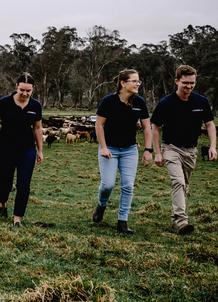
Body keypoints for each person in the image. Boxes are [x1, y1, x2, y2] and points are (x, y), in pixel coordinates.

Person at [151, 65, 216, 235]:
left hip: (191, 151)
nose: (189, 86)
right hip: (171, 148)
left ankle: (176, 217)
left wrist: (213, 146)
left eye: (192, 83)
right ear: (177, 81)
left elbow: (210, 125)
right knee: (178, 182)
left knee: (184, 184)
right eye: (185, 83)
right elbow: (155, 127)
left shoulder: (201, 102)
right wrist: (157, 152)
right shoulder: (166, 103)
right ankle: (181, 221)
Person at [92, 69, 152, 234]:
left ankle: (122, 221)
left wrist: (148, 149)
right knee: (108, 184)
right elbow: (99, 125)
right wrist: (103, 147)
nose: (137, 84)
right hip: (109, 149)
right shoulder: (108, 101)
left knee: (128, 186)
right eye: (134, 81)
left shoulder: (139, 102)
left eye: (138, 81)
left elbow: (147, 127)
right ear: (123, 83)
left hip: (130, 150)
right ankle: (101, 205)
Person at [0, 73, 43, 227]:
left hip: (27, 150)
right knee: (5, 184)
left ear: (33, 90)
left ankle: (17, 218)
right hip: (6, 149)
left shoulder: (35, 106)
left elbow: (37, 128)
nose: (25, 94)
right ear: (16, 87)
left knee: (23, 185)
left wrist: (40, 150)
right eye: (22, 90)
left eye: (28, 91)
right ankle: (2, 203)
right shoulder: (4, 103)